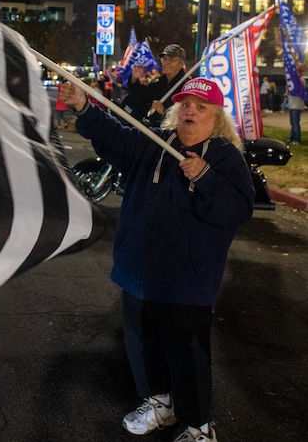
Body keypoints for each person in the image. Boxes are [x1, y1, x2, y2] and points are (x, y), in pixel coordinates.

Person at [60, 77, 255, 442]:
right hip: (137, 272)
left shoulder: (227, 157)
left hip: (187, 281)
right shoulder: (153, 142)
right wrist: (84, 107)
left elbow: (238, 210)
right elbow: (113, 135)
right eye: (185, 105)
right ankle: (160, 404)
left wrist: (206, 177)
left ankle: (198, 427)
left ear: (217, 117)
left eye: (200, 107)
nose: (190, 112)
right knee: (141, 343)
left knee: (187, 355)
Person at [126, 44, 188, 126]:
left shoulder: (187, 87)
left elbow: (187, 114)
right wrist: (134, 79)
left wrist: (163, 111)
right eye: (164, 59)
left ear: (181, 63)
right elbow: (140, 96)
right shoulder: (158, 83)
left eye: (172, 60)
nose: (167, 63)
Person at [286, 81, 306, 145]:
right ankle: (292, 137)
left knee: (295, 122)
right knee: (293, 123)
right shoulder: (291, 80)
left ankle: (297, 139)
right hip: (292, 105)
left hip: (297, 105)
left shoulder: (300, 80)